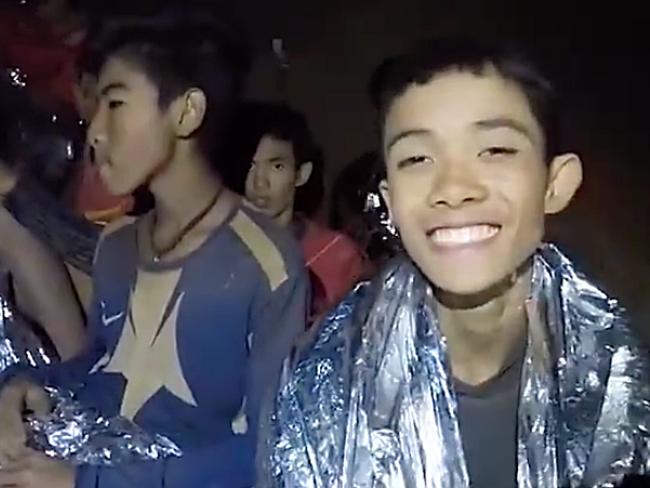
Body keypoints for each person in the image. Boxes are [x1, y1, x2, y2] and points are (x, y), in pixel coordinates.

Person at [261, 39, 650, 487]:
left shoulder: (619, 373)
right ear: (390, 203)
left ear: (555, 184)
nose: (453, 187)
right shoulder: (325, 383)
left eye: (495, 151)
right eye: (417, 158)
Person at [0, 12, 308, 488]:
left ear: (186, 112)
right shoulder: (118, 245)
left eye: (116, 103)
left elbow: (273, 449)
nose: (95, 131)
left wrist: (84, 483)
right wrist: (29, 385)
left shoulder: (266, 262)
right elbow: (104, 367)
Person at [223, 102, 366, 321]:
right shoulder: (217, 250)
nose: (260, 182)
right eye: (250, 166)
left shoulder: (339, 255)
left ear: (301, 174)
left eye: (276, 166)